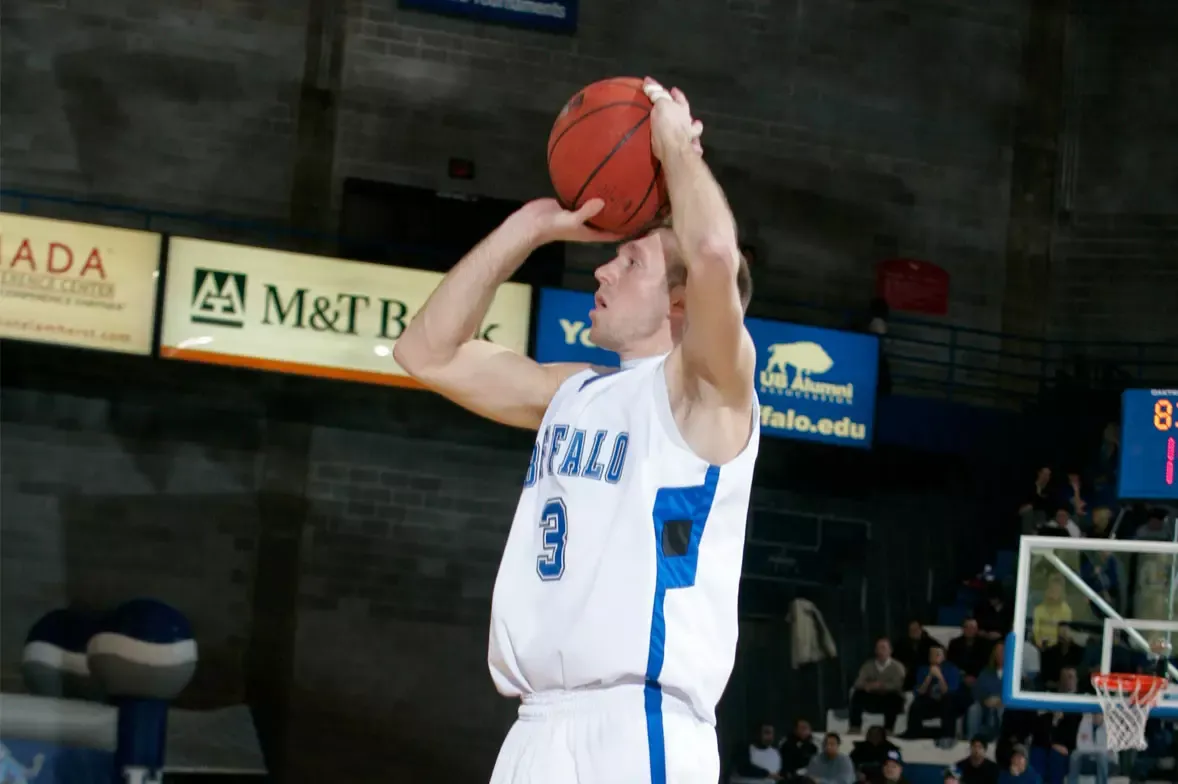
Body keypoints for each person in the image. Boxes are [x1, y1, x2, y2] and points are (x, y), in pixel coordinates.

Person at [395, 77, 759, 784]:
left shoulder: (705, 395)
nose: (603, 266)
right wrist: (527, 227)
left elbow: (715, 253)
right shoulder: (572, 393)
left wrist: (675, 148)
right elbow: (427, 353)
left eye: (631, 262)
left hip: (636, 726)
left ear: (680, 305)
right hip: (536, 727)